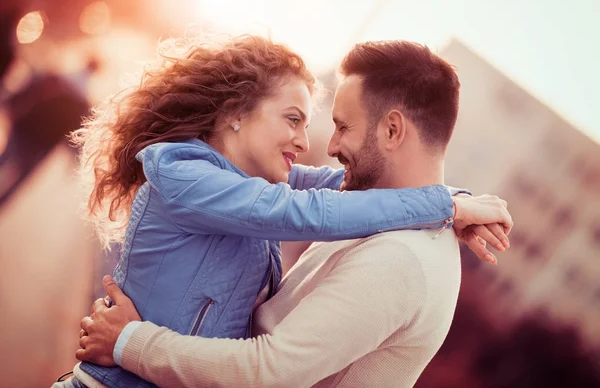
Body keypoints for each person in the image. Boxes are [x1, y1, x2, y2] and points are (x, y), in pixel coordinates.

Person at [74, 39, 513, 388]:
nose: (320, 144)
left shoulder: (403, 258)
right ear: (235, 114)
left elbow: (269, 372)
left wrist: (451, 202)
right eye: (292, 119)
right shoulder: (199, 179)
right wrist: (447, 204)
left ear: (393, 130)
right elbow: (315, 203)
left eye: (341, 126)